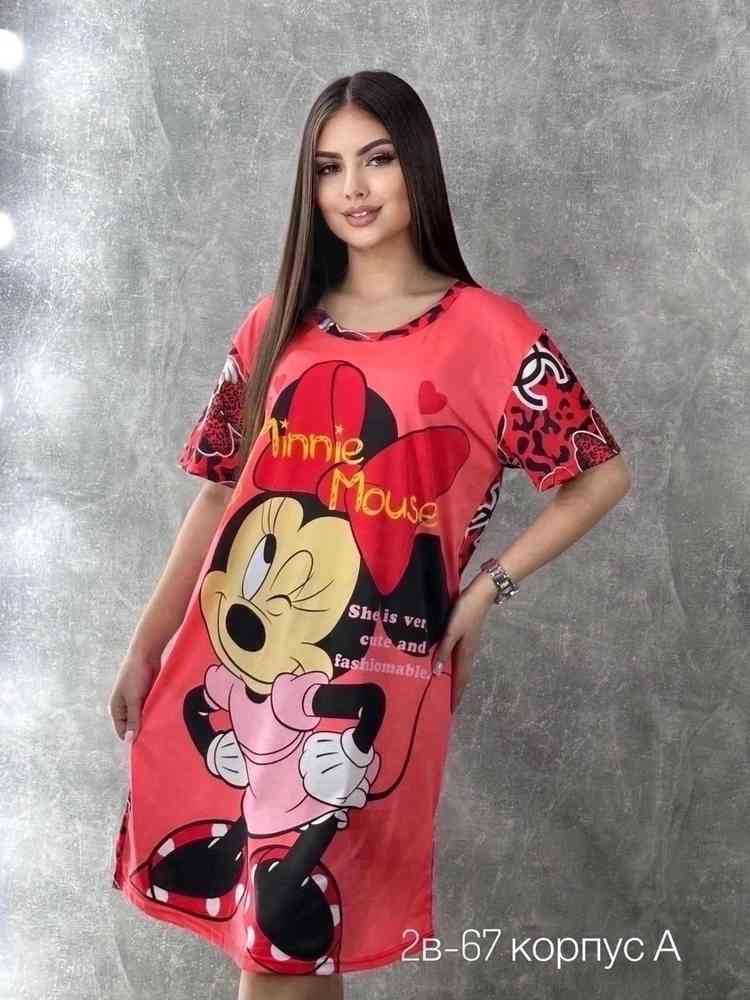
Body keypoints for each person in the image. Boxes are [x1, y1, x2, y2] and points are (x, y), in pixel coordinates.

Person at [108, 70, 630, 1000]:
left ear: (416, 166)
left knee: (286, 941)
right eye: (328, 167)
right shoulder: (275, 327)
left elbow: (598, 476)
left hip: (369, 697)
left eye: (377, 160)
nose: (352, 188)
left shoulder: (492, 335)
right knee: (284, 949)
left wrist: (486, 592)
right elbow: (218, 496)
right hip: (237, 669)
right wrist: (146, 647)